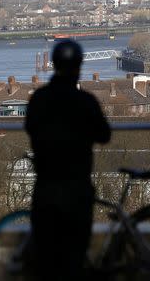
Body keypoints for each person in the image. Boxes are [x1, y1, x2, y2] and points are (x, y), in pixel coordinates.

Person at [25, 39, 111, 279]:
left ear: (53, 64)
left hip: (46, 188)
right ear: (79, 66)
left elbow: (30, 127)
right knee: (75, 256)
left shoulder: (39, 99)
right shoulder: (86, 102)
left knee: (45, 258)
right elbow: (104, 135)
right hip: (77, 190)